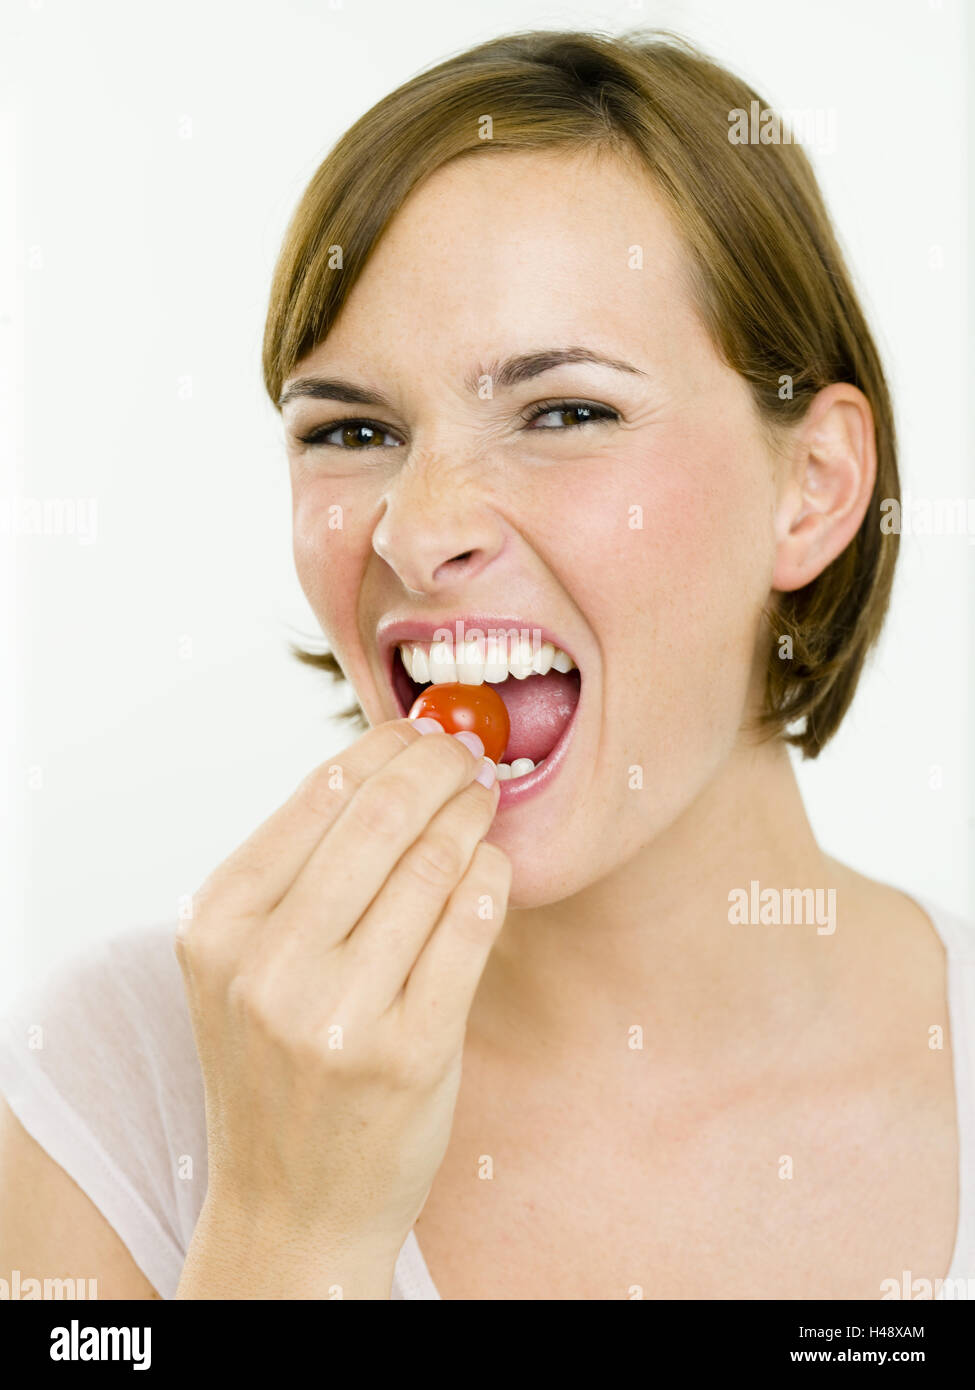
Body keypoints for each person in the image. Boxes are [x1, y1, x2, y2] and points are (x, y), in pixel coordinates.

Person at [1, 28, 972, 1301]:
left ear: (815, 486)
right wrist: (290, 1232)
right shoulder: (108, 1085)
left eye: (566, 410)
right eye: (353, 429)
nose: (413, 526)